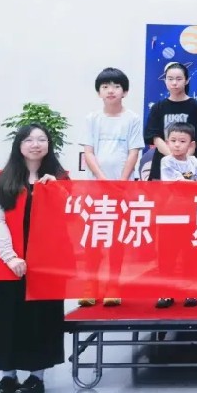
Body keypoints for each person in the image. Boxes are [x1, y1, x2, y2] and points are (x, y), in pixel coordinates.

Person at [0, 124, 68, 393]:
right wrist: (11, 257)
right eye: (29, 139)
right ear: (18, 145)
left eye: (42, 139)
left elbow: (70, 218)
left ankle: (35, 378)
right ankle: (7, 378)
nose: (35, 144)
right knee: (7, 319)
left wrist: (57, 190)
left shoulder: (60, 179)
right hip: (9, 263)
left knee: (39, 320)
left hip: (46, 265)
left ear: (49, 145)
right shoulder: (1, 179)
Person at [78, 67, 143, 307]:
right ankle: (90, 285)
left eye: (116, 86)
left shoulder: (132, 119)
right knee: (94, 237)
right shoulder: (92, 119)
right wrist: (103, 179)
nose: (111, 90)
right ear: (99, 92)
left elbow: (134, 152)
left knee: (117, 238)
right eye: (105, 86)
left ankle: (113, 285)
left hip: (122, 189)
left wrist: (121, 182)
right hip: (96, 189)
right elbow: (88, 152)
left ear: (124, 91)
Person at [155, 122, 197, 310]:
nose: (177, 145)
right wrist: (196, 185)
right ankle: (166, 292)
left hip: (192, 217)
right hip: (171, 217)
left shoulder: (194, 162)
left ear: (191, 144)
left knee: (191, 255)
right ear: (167, 142)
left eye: (182, 141)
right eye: (173, 140)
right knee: (167, 256)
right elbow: (178, 184)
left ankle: (191, 291)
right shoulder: (166, 161)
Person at [144, 62, 197, 180]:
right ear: (165, 81)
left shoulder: (196, 107)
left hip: (189, 167)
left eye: (179, 79)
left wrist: (183, 161)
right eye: (170, 79)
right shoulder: (158, 108)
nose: (174, 83)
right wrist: (172, 159)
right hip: (162, 166)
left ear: (187, 80)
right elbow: (154, 137)